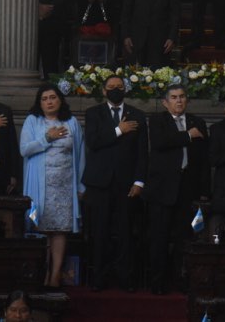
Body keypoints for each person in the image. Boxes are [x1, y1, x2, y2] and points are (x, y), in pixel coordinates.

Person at [82, 75, 148, 292]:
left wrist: (139, 181)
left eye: (119, 87)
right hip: (99, 184)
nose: (116, 90)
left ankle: (125, 279)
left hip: (126, 185)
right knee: (99, 232)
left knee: (125, 233)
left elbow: (142, 153)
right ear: (104, 91)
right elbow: (93, 141)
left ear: (125, 90)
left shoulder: (137, 115)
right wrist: (119, 130)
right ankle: (99, 278)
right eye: (111, 87)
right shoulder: (93, 114)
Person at [144, 85, 209, 295]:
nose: (179, 101)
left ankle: (180, 280)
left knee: (184, 239)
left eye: (182, 97)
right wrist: (188, 136)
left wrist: (204, 190)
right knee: (159, 239)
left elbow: (203, 160)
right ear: (165, 102)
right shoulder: (157, 121)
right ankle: (157, 283)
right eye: (174, 97)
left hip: (187, 189)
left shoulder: (198, 122)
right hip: (162, 190)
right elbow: (161, 142)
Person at [20, 84, 85, 288]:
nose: (49, 101)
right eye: (44, 98)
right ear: (39, 103)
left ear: (60, 100)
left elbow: (81, 155)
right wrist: (47, 138)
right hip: (40, 185)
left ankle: (56, 275)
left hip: (65, 186)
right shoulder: (33, 121)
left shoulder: (71, 122)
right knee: (40, 229)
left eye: (53, 97)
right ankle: (42, 273)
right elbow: (25, 149)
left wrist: (80, 186)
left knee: (60, 231)